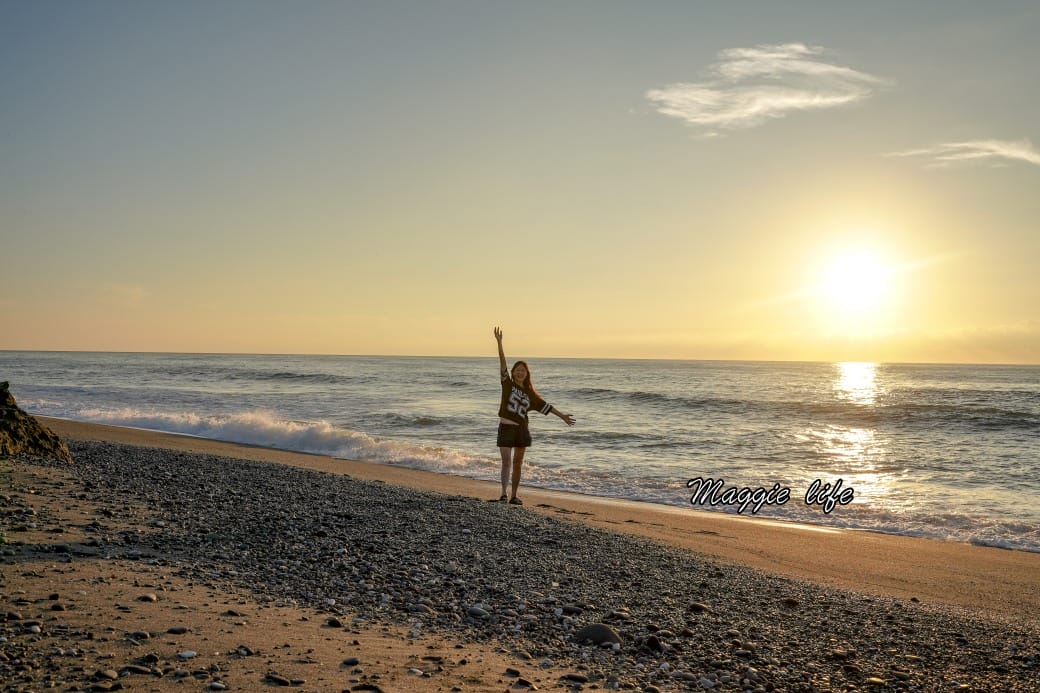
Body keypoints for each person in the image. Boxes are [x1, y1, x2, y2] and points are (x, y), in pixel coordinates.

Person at [494, 326, 575, 505]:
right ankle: (503, 494)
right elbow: (502, 364)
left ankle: (514, 495)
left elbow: (545, 406)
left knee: (517, 464)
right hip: (505, 428)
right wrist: (500, 343)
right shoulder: (507, 384)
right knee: (506, 462)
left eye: (523, 370)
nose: (520, 372)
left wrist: (562, 416)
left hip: (522, 430)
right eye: (518, 369)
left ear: (526, 373)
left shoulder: (530, 394)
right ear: (514, 372)